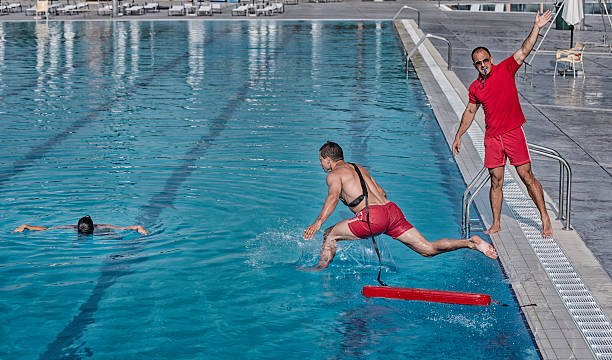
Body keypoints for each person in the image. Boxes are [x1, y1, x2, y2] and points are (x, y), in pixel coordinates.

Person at [303, 141, 497, 270]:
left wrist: (318, 222)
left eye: (321, 160)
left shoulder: (334, 175)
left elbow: (333, 197)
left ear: (328, 159)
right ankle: (470, 243)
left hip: (374, 217)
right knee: (427, 249)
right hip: (392, 211)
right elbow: (383, 193)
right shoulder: (358, 168)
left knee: (329, 234)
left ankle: (318, 272)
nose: (321, 164)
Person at [451, 11, 554, 238]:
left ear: (491, 60)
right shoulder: (475, 88)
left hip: (513, 132)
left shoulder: (507, 68)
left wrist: (536, 26)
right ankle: (496, 222)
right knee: (496, 180)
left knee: (526, 176)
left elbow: (525, 48)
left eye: (485, 61)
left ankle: (544, 218)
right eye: (478, 63)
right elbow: (470, 111)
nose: (483, 65)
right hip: (492, 137)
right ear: (475, 65)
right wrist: (459, 135)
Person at [13, 215, 148, 235]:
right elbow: (124, 228)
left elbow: (47, 229)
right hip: (99, 234)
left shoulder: (70, 227)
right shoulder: (102, 227)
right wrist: (138, 227)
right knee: (111, 235)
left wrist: (27, 226)